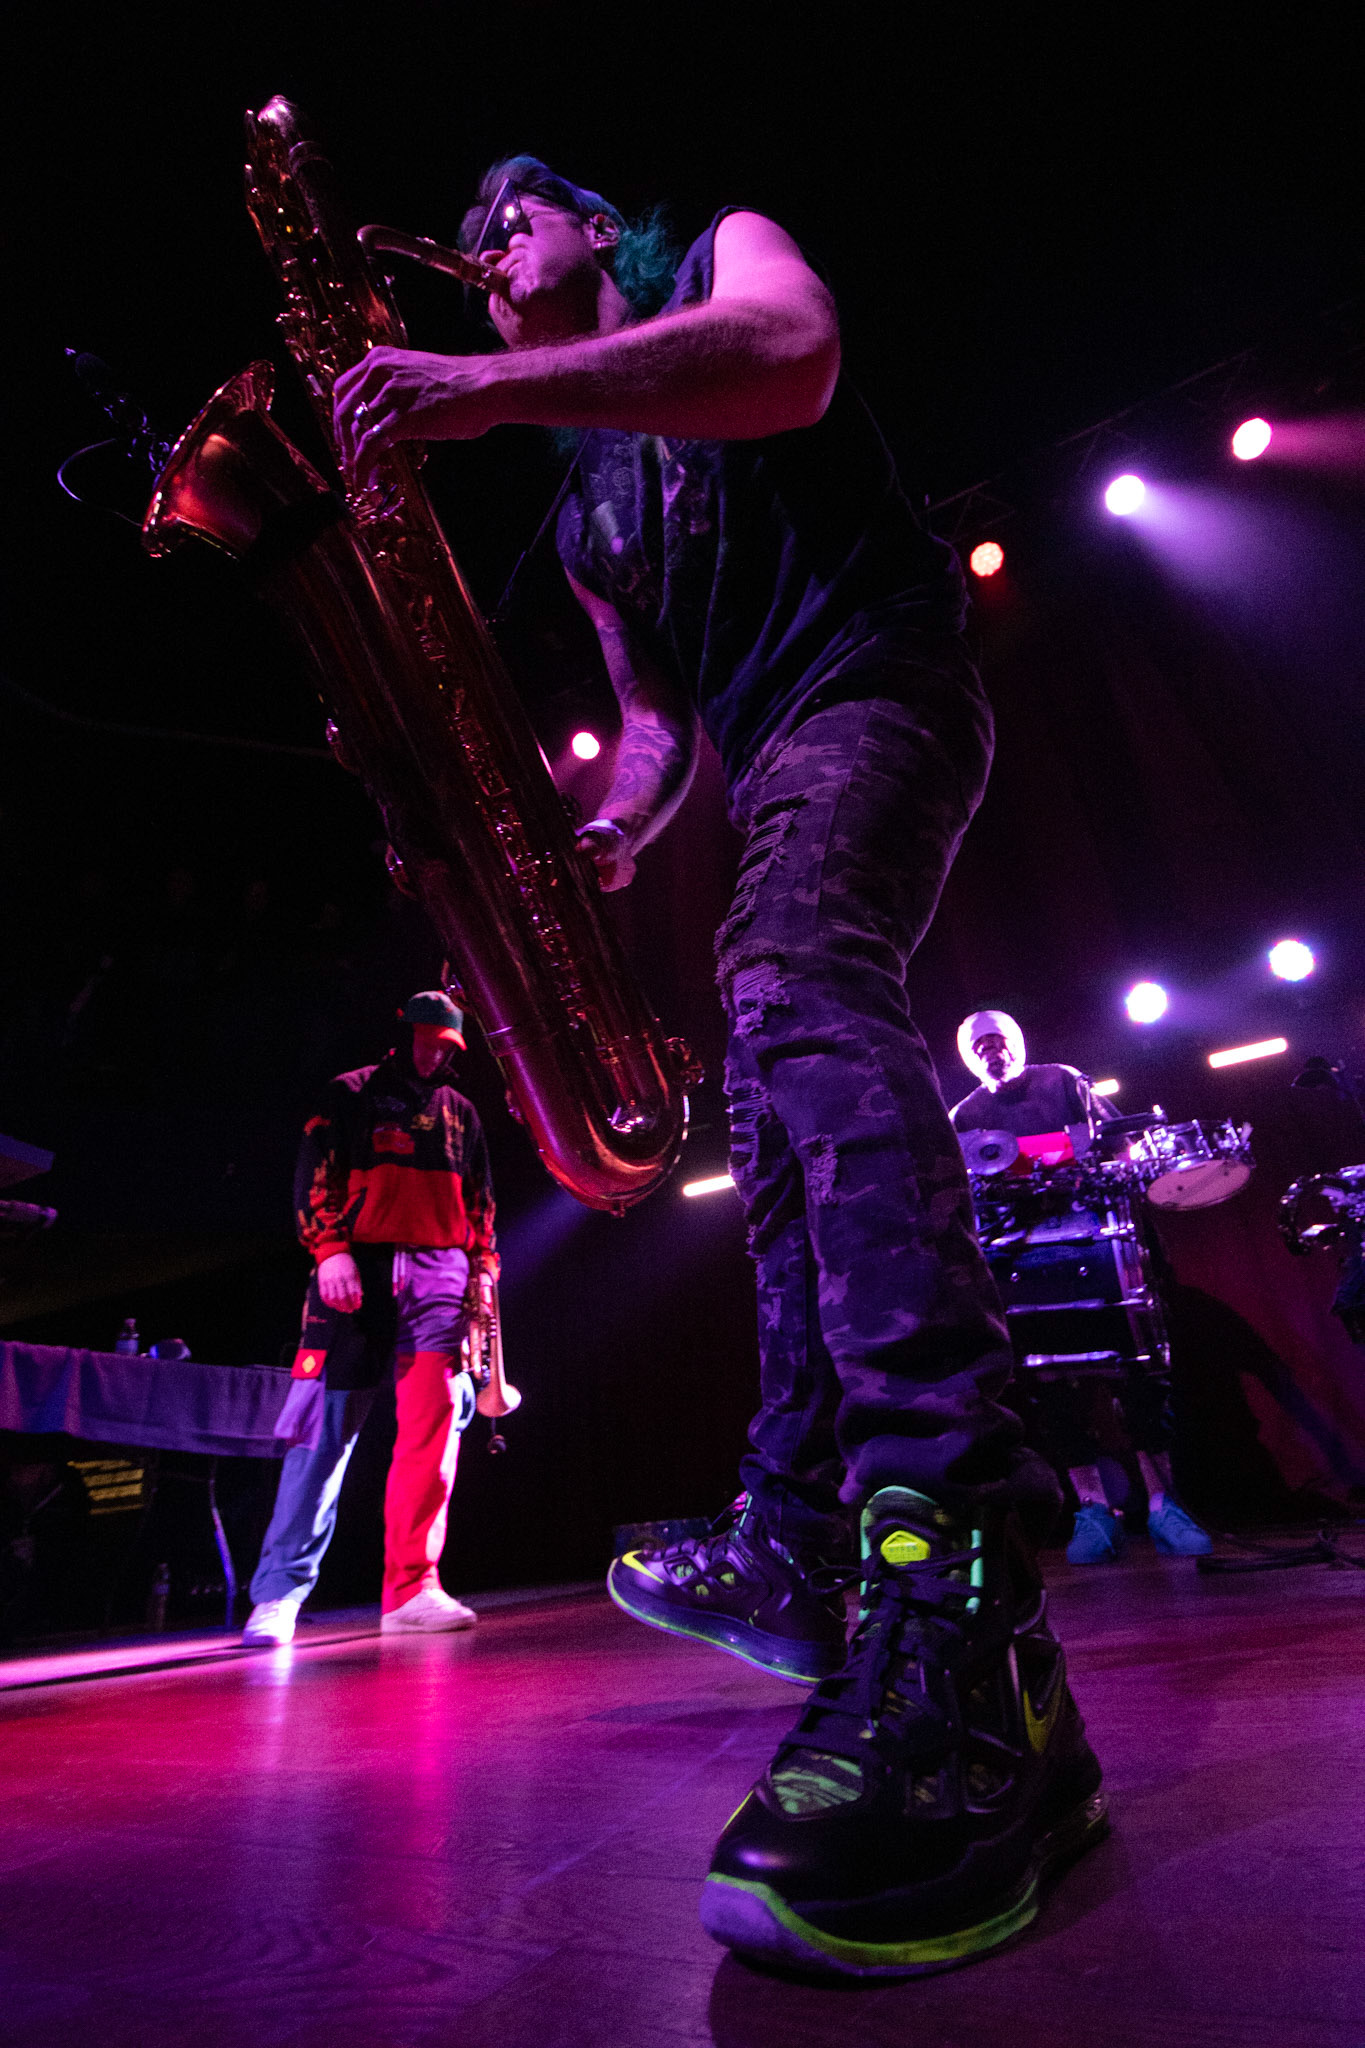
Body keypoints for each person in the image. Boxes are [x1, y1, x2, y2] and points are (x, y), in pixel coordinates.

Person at [330, 165, 1104, 1980]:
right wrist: (605, 826)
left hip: (883, 685)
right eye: (474, 232)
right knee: (768, 1080)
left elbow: (793, 353)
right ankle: (801, 1519)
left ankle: (950, 1528)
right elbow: (661, 722)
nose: (486, 244)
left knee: (791, 971)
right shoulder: (586, 507)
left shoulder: (716, 260)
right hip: (767, 753)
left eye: (515, 211)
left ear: (597, 226)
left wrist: (475, 391)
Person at [243, 991, 498, 1645]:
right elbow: (315, 1173)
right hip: (358, 1271)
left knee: (433, 1438)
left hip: (441, 1276)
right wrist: (330, 1248)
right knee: (320, 1438)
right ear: (404, 1033)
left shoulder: (461, 1111)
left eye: (446, 1046)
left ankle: (412, 1590)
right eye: (427, 1040)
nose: (435, 1053)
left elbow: (480, 1199)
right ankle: (278, 1594)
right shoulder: (349, 1093)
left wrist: (483, 1269)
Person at [951, 1009, 1212, 1564]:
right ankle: (1092, 1510)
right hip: (1025, 1260)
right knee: (1051, 1388)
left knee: (1141, 1378)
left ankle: (1164, 1504)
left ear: (1018, 1043)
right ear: (968, 1058)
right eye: (980, 1048)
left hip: (1098, 1241)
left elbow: (1121, 1147)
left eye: (999, 1042)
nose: (993, 1053)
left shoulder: (1063, 1082)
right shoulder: (965, 1115)